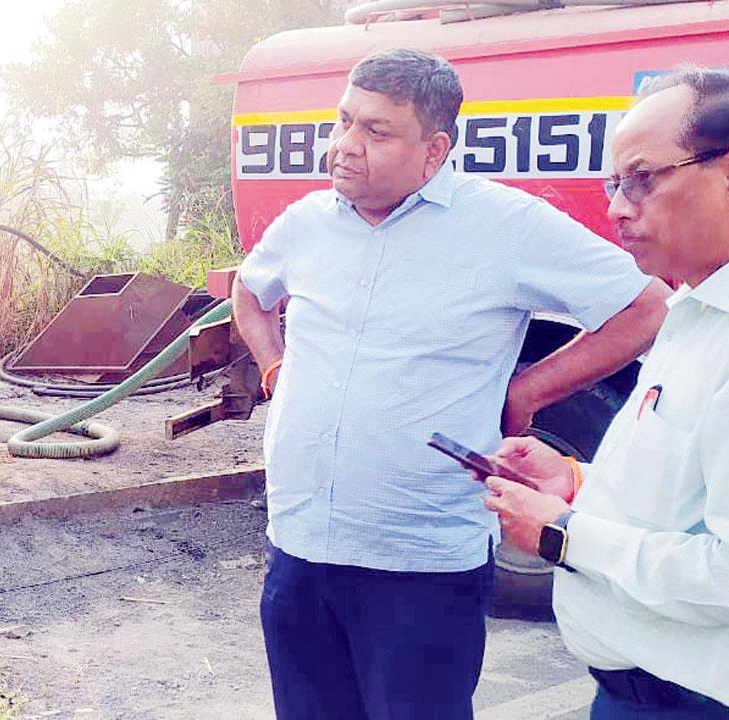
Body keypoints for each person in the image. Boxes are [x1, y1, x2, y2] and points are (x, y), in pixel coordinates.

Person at [232, 48, 671, 719]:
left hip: (421, 569)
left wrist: (528, 392)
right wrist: (273, 364)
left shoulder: (506, 225)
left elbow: (641, 308)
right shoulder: (307, 223)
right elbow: (250, 291)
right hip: (299, 554)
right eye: (344, 121)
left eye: (376, 132)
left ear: (434, 149)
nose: (345, 146)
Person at [482, 66, 729, 717]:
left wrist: (563, 534)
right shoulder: (693, 314)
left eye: (642, 180)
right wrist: (574, 482)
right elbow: (681, 500)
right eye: (614, 183)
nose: (617, 207)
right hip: (637, 692)